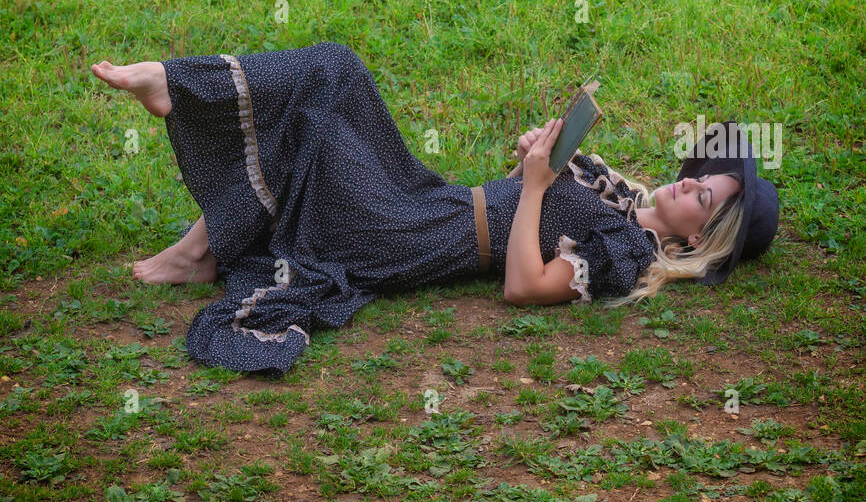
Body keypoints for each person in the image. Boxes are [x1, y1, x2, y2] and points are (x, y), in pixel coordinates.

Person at [90, 43, 780, 375]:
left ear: (697, 243)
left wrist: (537, 184)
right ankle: (180, 109)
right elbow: (520, 200)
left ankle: (192, 226)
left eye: (704, 198)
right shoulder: (614, 193)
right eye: (698, 177)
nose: (689, 186)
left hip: (411, 238)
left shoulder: (628, 256)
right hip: (430, 197)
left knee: (319, 121)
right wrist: (529, 161)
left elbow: (523, 285)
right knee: (337, 69)